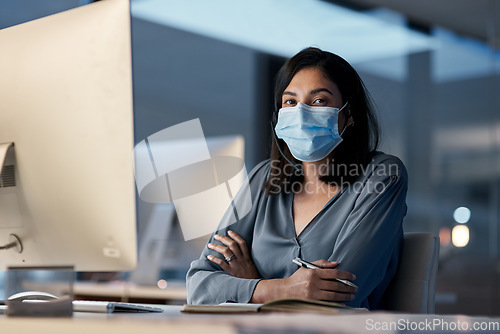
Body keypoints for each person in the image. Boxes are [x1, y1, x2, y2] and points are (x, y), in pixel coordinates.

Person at [186, 47, 407, 309]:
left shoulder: (382, 176)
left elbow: (337, 298)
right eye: (290, 102)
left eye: (319, 101)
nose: (301, 114)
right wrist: (276, 289)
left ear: (349, 114)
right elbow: (199, 285)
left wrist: (252, 285)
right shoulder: (264, 177)